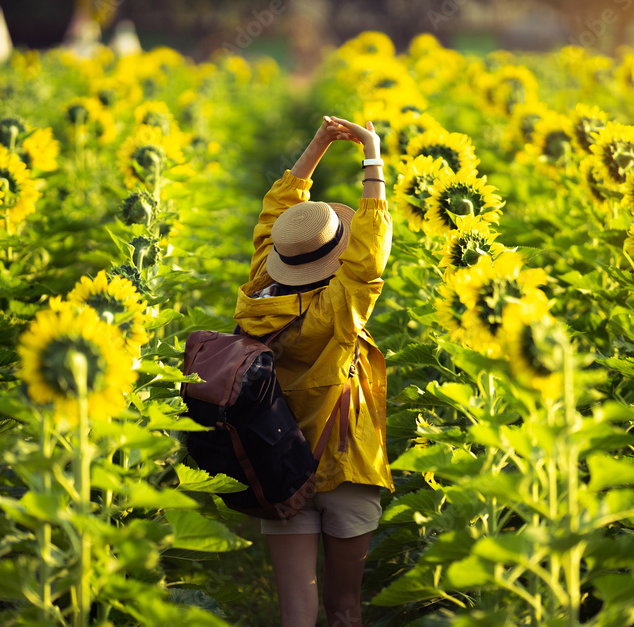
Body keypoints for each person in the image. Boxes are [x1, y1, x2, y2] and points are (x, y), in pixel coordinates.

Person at [233, 115, 394, 627]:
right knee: (345, 609)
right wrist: (371, 154)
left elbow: (276, 212)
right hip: (347, 463)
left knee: (295, 615)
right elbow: (371, 251)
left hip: (281, 464)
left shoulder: (257, 294)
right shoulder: (339, 309)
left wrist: (318, 144)